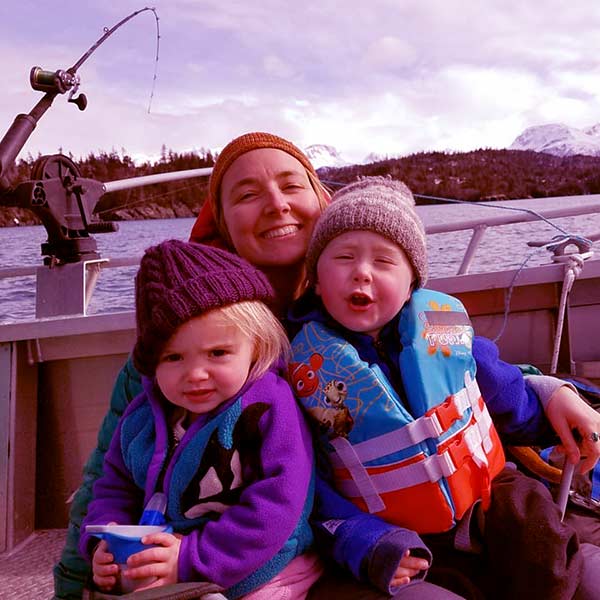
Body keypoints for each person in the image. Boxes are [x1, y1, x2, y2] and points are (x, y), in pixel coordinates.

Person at [54, 131, 586, 599]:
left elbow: (466, 371)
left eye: (291, 186)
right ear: (220, 221)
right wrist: (78, 582)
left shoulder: (405, 312)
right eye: (246, 194)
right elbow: (111, 468)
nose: (276, 204)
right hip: (321, 543)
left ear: (319, 199)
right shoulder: (184, 336)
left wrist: (552, 393)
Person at [287, 176, 600, 599]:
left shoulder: (442, 327)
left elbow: (507, 396)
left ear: (412, 282)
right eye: (343, 257)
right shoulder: (300, 367)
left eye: (384, 262)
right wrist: (364, 540)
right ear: (317, 280)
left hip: (491, 496)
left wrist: (556, 415)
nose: (362, 271)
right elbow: (314, 488)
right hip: (402, 532)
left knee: (541, 539)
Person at [80, 239, 323, 598]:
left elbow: (279, 502)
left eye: (217, 353)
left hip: (265, 568)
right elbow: (114, 486)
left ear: (256, 345)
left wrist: (191, 557)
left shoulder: (269, 406)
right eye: (173, 358)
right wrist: (103, 539)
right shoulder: (141, 418)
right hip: (173, 570)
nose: (195, 374)